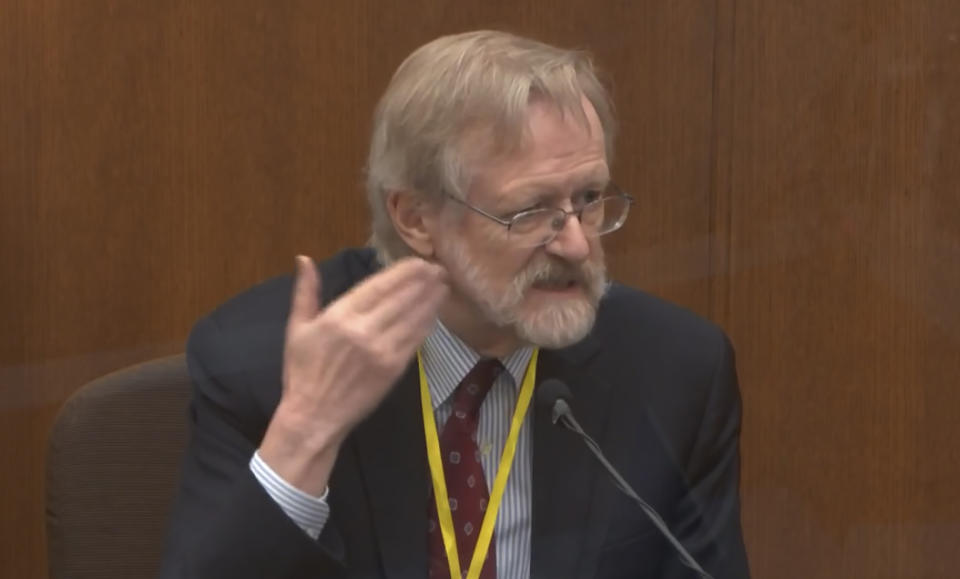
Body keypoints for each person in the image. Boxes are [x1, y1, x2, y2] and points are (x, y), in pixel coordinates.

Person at [159, 30, 750, 579]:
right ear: (416, 218)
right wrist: (305, 433)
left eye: (590, 198)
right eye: (530, 211)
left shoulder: (675, 373)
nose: (575, 242)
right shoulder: (260, 367)